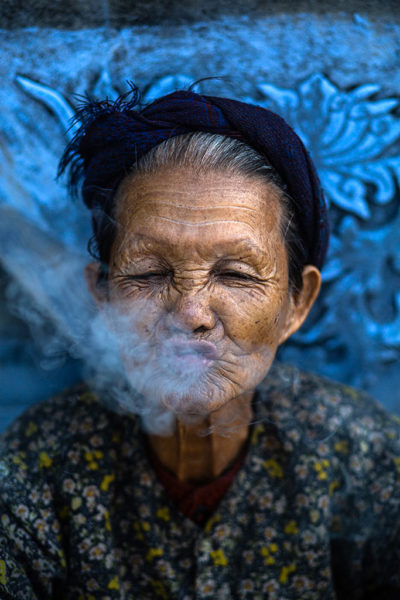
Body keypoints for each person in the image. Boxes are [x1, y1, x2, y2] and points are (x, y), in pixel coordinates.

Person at [0, 86, 398, 600]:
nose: (190, 314)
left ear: (296, 304)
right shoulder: (31, 470)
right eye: (147, 272)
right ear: (102, 295)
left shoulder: (368, 458)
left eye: (235, 274)